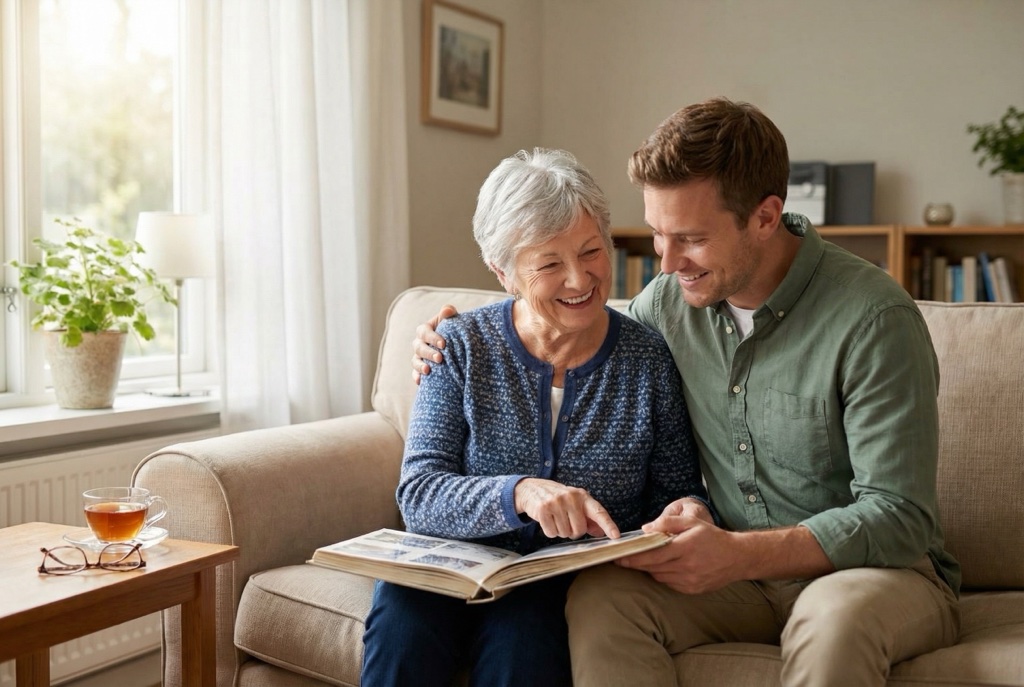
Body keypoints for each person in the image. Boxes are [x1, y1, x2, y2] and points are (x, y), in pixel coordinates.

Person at [411, 98, 961, 686]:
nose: (667, 262)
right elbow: (576, 320)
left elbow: (899, 518)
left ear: (766, 216)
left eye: (691, 238)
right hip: (736, 581)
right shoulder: (669, 306)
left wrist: (738, 553)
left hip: (874, 574)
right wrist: (451, 336)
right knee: (602, 599)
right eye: (656, 234)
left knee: (833, 622)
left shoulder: (874, 320)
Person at [362, 147, 711, 687]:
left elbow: (678, 492)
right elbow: (420, 494)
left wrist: (686, 513)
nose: (580, 279)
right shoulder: (457, 345)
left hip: (556, 582)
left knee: (524, 645)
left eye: (591, 250)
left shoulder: (648, 361)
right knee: (402, 627)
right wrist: (521, 492)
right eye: (549, 263)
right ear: (504, 273)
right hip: (449, 567)